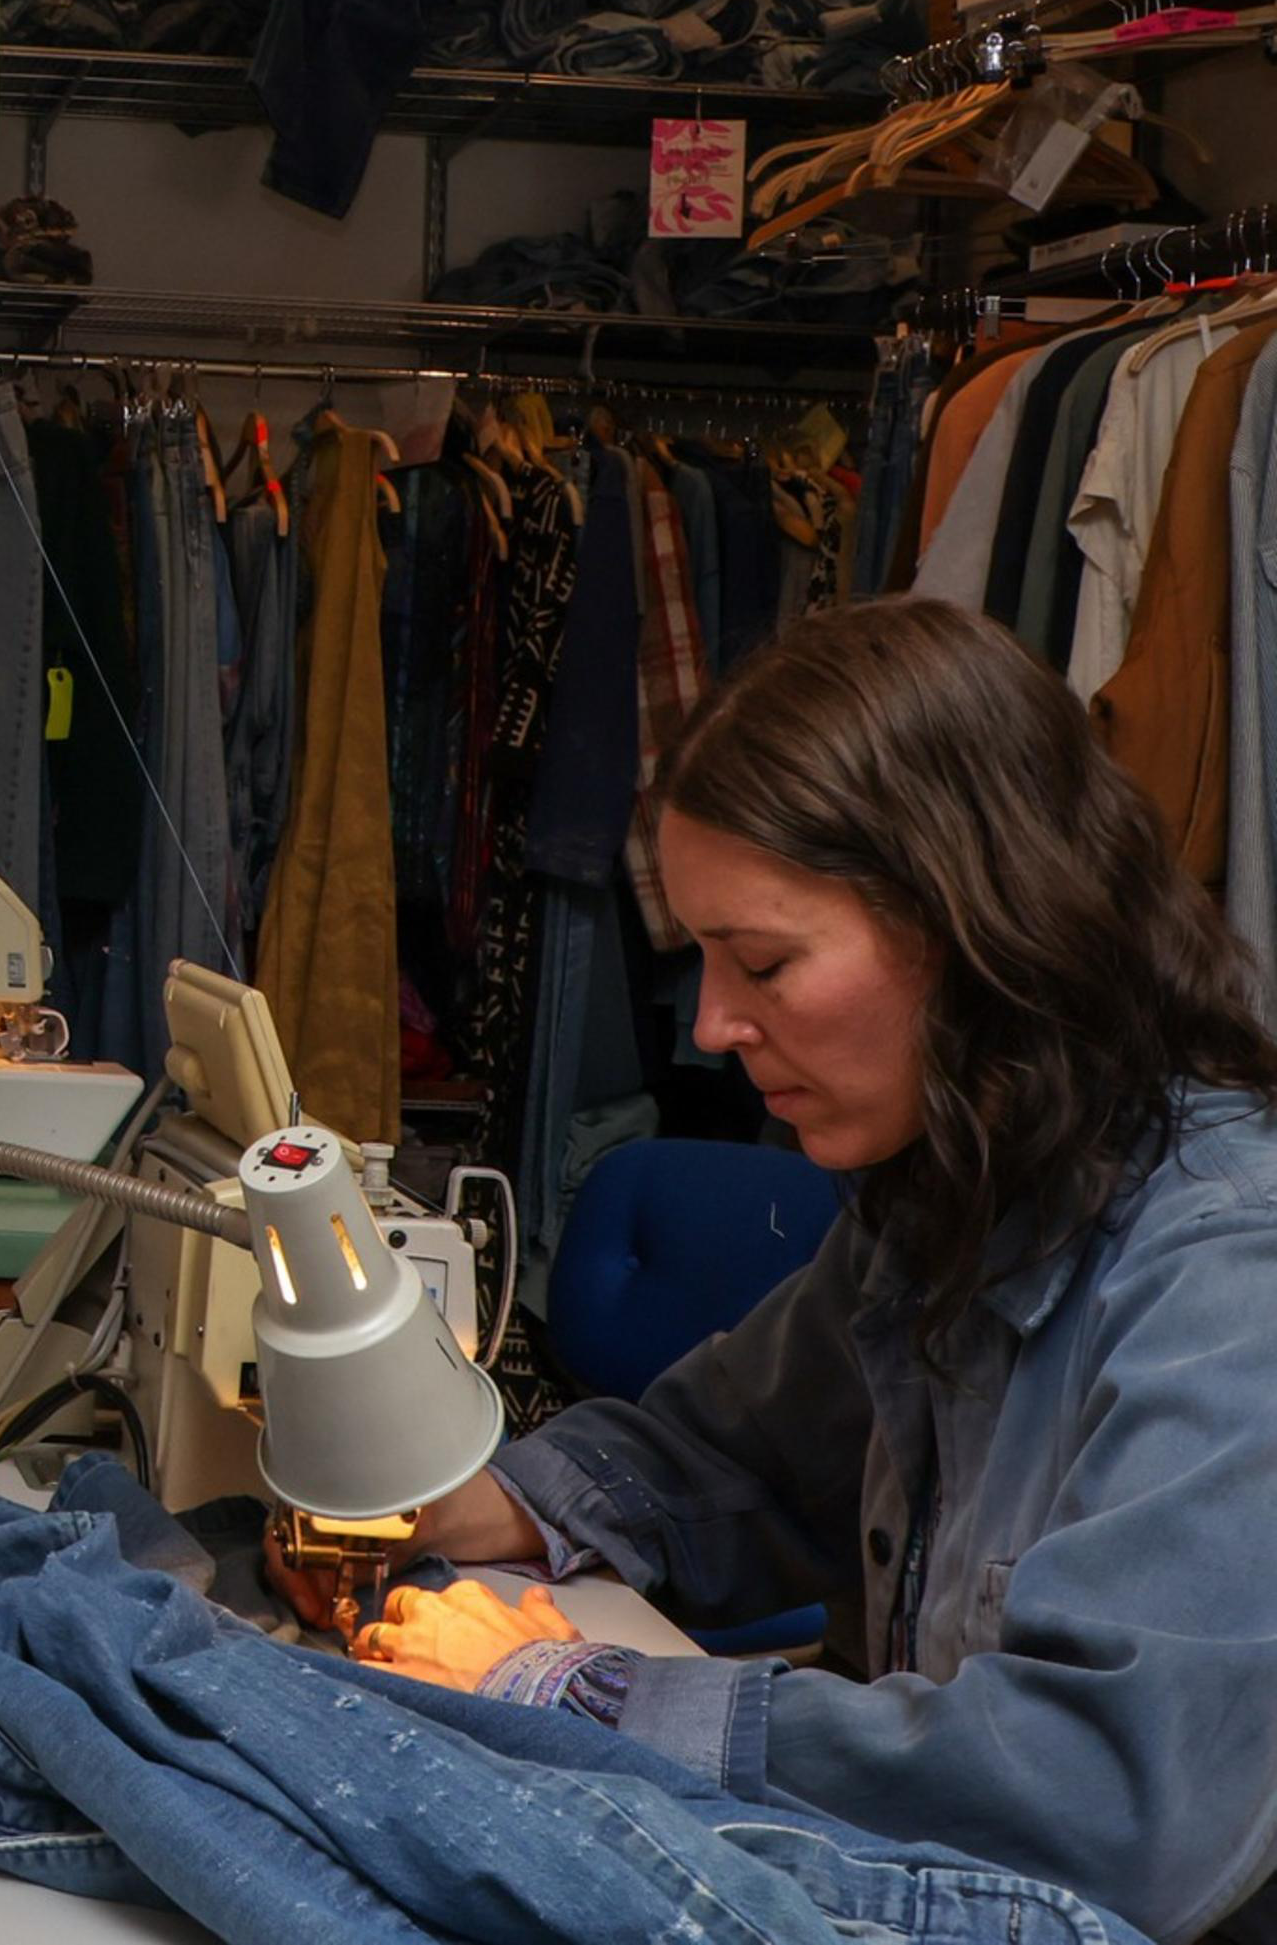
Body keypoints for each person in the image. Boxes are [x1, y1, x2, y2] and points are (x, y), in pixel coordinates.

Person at [345, 597, 1277, 1943]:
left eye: (765, 963)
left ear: (976, 925)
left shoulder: (1231, 1280)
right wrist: (486, 1505)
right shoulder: (956, 1192)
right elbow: (732, 1455)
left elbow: (1104, 1804)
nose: (715, 1025)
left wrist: (579, 1692)